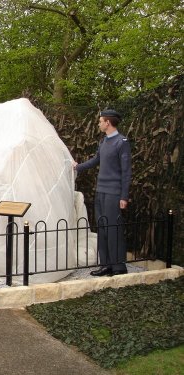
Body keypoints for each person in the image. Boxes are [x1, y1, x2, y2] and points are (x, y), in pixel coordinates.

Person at [73, 109, 132, 277]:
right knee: (102, 228)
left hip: (114, 193)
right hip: (100, 191)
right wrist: (77, 166)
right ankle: (105, 265)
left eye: (100, 121)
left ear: (108, 122)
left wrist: (124, 196)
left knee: (114, 228)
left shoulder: (122, 142)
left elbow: (126, 172)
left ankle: (118, 267)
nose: (98, 123)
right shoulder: (104, 141)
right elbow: (96, 160)